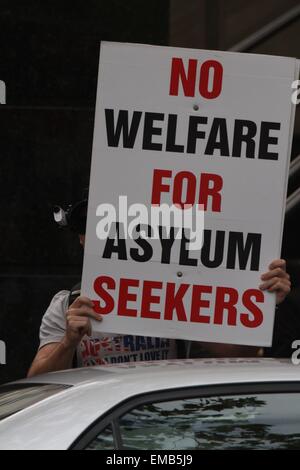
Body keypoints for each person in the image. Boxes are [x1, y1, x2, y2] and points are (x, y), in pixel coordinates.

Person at [27, 198, 291, 377]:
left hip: (162, 427)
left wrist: (264, 304)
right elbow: (38, 384)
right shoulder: (67, 304)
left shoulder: (173, 291)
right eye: (88, 228)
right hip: (99, 424)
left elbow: (237, 354)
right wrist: (68, 342)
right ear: (82, 240)